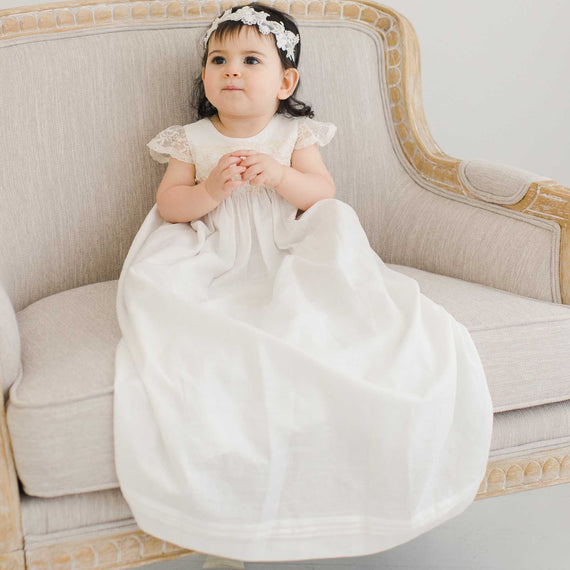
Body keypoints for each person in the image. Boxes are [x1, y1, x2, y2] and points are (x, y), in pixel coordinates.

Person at [113, 2, 494, 564]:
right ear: (204, 77)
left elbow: (321, 192)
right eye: (218, 60)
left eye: (249, 60)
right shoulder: (192, 139)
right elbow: (170, 206)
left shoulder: (294, 132)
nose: (231, 71)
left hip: (285, 245)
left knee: (333, 233)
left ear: (285, 80)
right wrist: (212, 189)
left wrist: (283, 175)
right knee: (169, 290)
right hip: (216, 249)